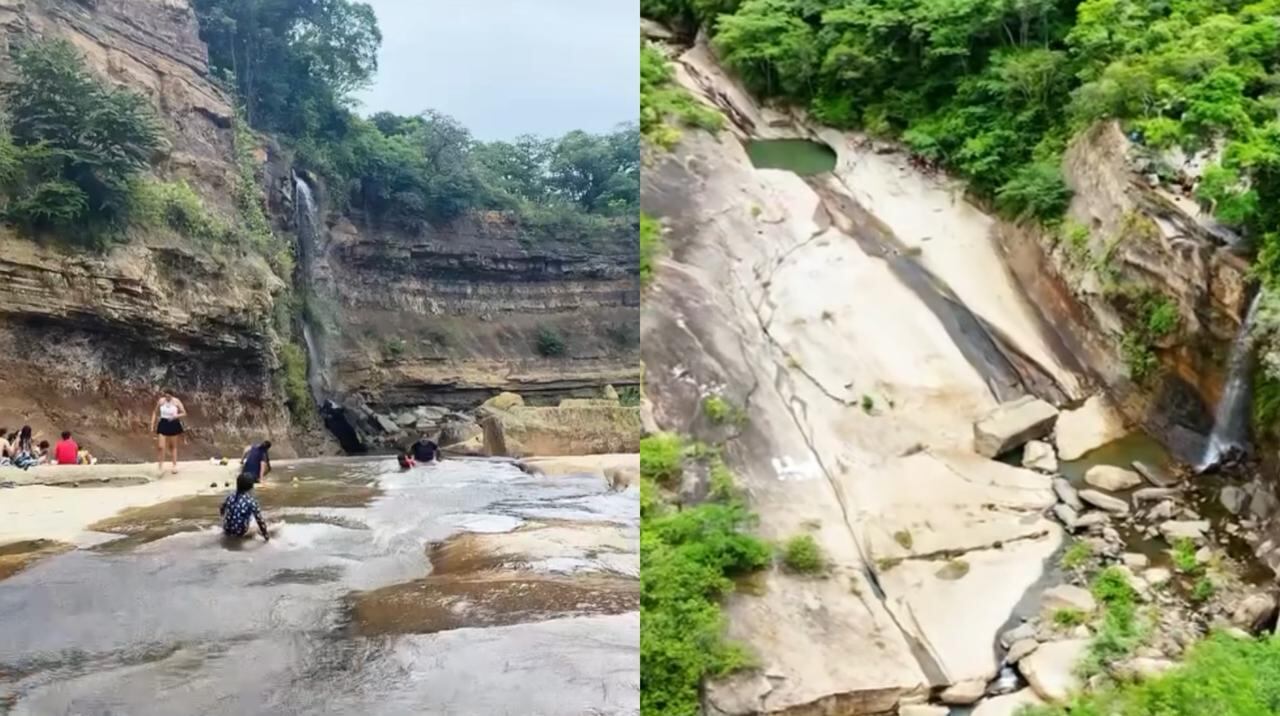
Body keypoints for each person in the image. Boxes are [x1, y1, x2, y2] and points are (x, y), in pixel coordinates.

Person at [220, 474, 269, 541]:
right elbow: (260, 521)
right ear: (251, 487)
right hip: (241, 533)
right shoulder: (251, 501)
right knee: (262, 526)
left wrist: (223, 518)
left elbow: (222, 509)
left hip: (227, 530)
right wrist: (266, 538)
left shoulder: (230, 497)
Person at [151, 390, 187, 474]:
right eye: (166, 396)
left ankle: (174, 465)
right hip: (163, 423)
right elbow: (155, 412)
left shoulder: (176, 401)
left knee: (173, 446)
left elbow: (184, 413)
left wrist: (175, 416)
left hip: (173, 423)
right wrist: (152, 424)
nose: (167, 398)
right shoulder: (161, 401)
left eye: (169, 396)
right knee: (161, 446)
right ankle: (160, 466)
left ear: (172, 396)